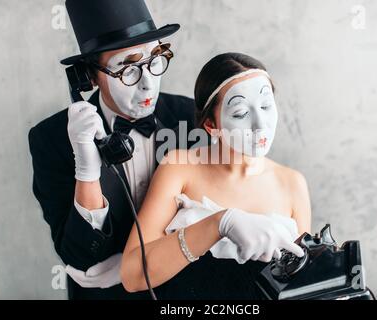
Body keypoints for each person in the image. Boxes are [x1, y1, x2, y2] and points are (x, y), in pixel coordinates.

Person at [28, 0, 194, 299]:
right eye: (128, 68)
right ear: (89, 77)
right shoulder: (50, 139)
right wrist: (87, 172)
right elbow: (79, 258)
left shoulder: (191, 117)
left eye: (155, 60)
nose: (148, 85)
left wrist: (136, 264)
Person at [120, 52, 312, 299]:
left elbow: (300, 286)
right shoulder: (179, 168)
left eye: (266, 106)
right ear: (211, 125)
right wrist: (219, 223)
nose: (260, 124)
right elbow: (133, 275)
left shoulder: (292, 183)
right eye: (241, 113)